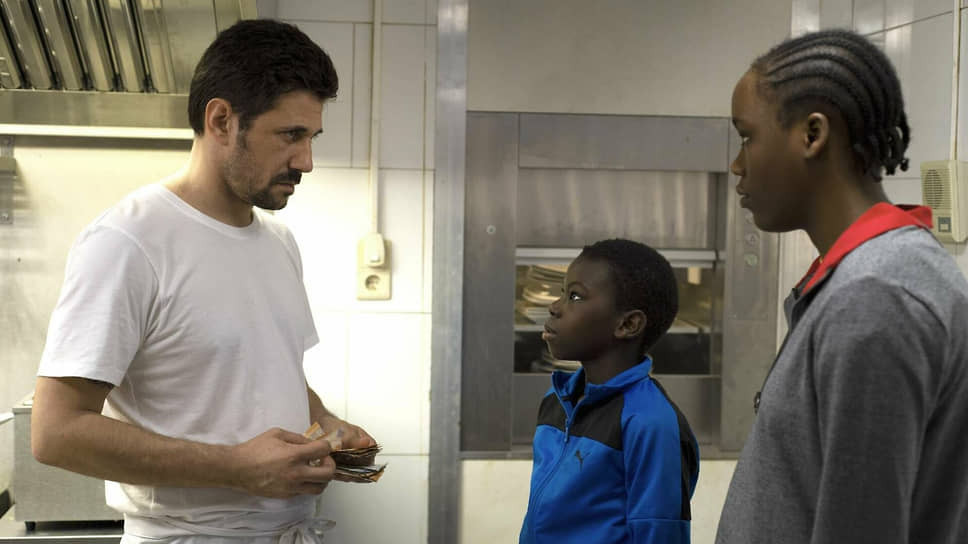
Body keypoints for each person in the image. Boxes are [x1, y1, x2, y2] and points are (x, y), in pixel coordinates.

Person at [30, 19, 375, 544]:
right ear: (221, 121)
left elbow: (269, 371)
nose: (306, 161)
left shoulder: (279, 242)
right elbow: (56, 432)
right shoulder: (129, 241)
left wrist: (327, 425)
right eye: (291, 135)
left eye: (311, 137)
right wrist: (236, 467)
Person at [716, 29, 968, 544]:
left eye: (747, 137)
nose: (737, 166)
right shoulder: (866, 277)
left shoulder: (875, 296)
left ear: (812, 134)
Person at [519, 239, 700, 544]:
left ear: (628, 324)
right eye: (563, 292)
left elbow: (659, 533)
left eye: (575, 296)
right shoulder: (557, 400)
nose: (554, 306)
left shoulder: (649, 422)